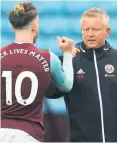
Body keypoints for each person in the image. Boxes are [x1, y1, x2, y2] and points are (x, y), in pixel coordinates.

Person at [0, 2, 75, 143]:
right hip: (28, 134)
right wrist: (67, 54)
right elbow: (67, 85)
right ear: (34, 26)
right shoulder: (48, 58)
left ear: (12, 27)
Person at [46, 7, 117, 142]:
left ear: (107, 32)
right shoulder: (70, 59)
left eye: (95, 29)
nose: (90, 34)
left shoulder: (115, 58)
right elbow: (50, 92)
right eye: (86, 29)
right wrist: (51, 60)